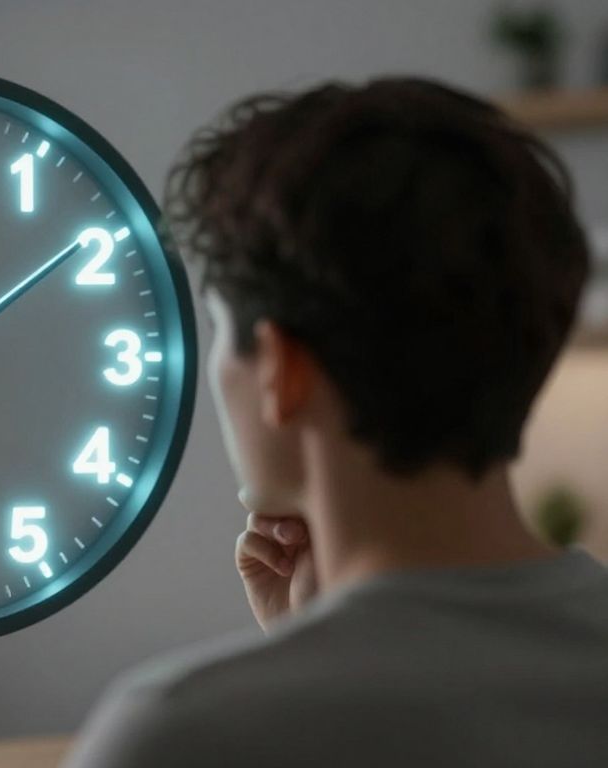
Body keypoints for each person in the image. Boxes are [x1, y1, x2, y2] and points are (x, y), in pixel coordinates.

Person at [66, 78, 605, 767]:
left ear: (280, 371)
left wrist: (302, 661)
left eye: (219, 331)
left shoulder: (178, 734)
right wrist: (314, 637)